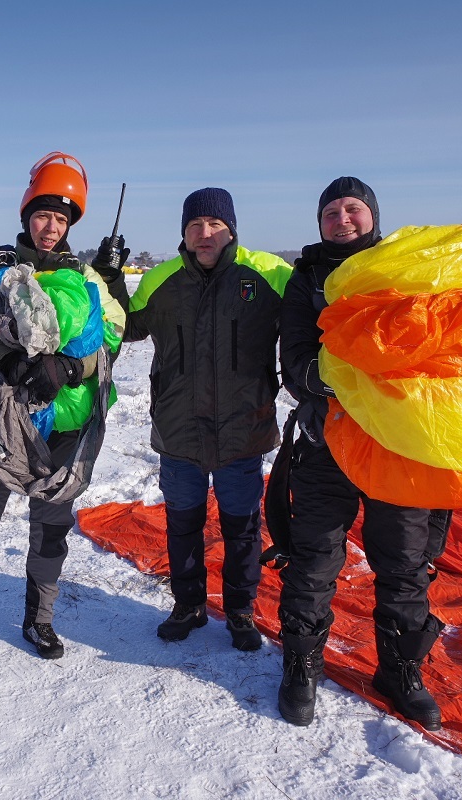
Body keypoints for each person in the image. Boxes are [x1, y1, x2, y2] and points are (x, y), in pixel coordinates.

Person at [0, 152, 129, 666]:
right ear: (26, 217)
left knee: (51, 530)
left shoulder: (90, 279)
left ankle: (39, 620)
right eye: (43, 216)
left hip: (65, 427)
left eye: (61, 219)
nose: (50, 227)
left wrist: (68, 370)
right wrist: (13, 362)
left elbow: (110, 341)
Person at [276, 176, 448, 730]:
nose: (342, 219)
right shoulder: (306, 280)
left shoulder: (404, 270)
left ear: (373, 215)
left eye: (353, 209)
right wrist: (351, 373)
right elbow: (297, 364)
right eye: (330, 212)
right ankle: (302, 665)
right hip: (329, 441)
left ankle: (399, 670)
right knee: (315, 557)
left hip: (399, 444)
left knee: (404, 560)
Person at [124, 188, 292, 649]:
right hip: (179, 431)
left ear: (231, 229)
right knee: (183, 524)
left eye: (215, 225)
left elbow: (310, 320)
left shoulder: (268, 274)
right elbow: (127, 325)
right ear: (183, 232)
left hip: (243, 430)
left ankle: (239, 611)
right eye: (195, 225)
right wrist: (107, 278)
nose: (204, 234)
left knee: (242, 529)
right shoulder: (162, 279)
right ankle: (189, 605)